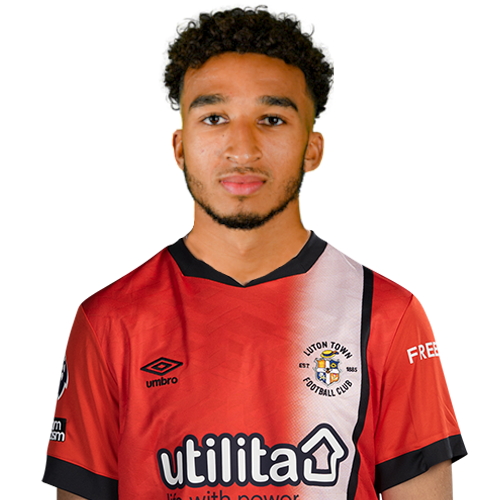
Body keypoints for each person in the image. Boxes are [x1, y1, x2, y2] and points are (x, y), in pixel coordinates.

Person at [42, 6, 466, 500]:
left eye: (271, 119)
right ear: (178, 147)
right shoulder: (107, 322)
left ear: (313, 148)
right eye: (214, 118)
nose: (242, 149)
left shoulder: (388, 316)